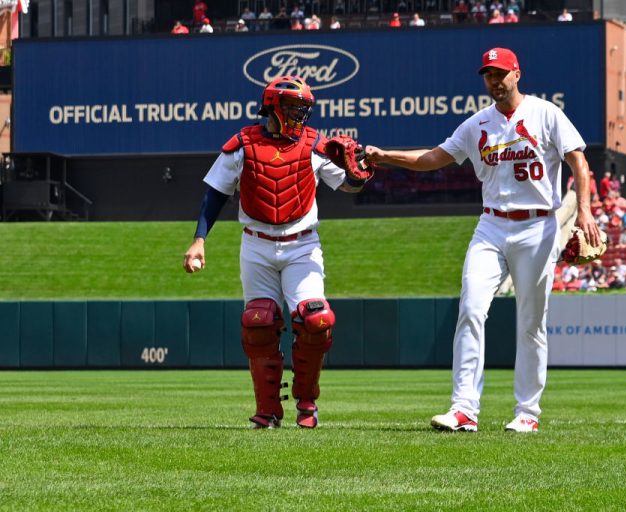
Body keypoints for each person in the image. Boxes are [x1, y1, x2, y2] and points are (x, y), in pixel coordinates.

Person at [365, 48, 600, 433]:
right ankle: (464, 409)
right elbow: (432, 158)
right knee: (471, 309)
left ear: (517, 74)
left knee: (531, 322)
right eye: (488, 74)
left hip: (537, 227)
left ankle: (528, 412)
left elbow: (578, 161)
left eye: (500, 73)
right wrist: (384, 155)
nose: (494, 81)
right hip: (491, 226)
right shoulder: (477, 124)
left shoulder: (546, 113)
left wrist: (586, 211)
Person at [183, 76, 370, 429]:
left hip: (302, 243)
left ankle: (307, 401)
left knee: (316, 320)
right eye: (294, 108)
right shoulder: (242, 144)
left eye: (304, 109)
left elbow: (347, 184)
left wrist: (357, 173)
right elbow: (215, 195)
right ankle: (267, 410)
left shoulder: (317, 145)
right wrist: (199, 239)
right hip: (256, 243)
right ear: (273, 106)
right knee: (259, 323)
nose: (301, 115)